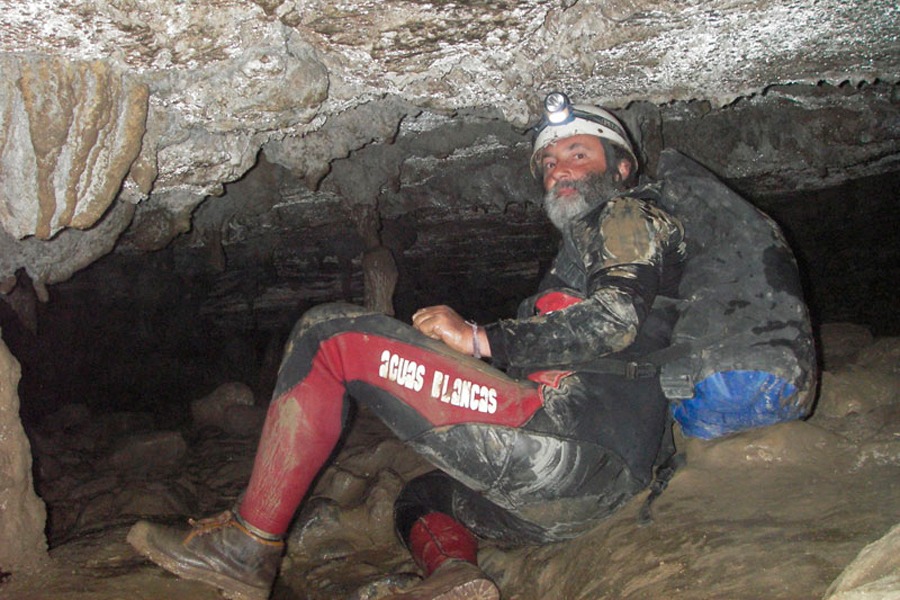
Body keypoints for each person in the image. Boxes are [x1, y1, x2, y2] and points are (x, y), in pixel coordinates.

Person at [126, 92, 694, 600]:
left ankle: (247, 545)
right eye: (548, 162)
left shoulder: (626, 212)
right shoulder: (581, 255)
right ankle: (453, 576)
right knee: (422, 497)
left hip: (579, 443)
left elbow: (615, 319)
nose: (559, 169)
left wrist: (478, 338)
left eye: (577, 154)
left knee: (330, 337)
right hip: (576, 501)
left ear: (622, 167)